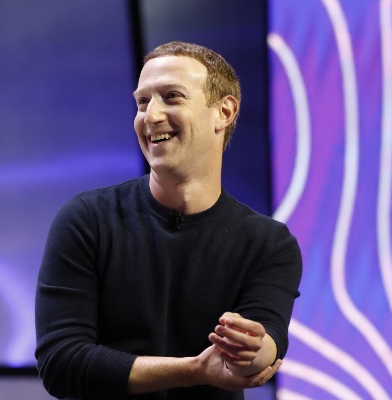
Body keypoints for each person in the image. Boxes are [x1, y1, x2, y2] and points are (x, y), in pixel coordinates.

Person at [35, 41, 302, 400]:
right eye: (142, 101)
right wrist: (193, 370)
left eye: (171, 97)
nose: (151, 115)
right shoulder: (87, 220)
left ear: (224, 112)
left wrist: (253, 351)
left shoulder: (268, 243)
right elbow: (61, 363)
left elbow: (267, 340)